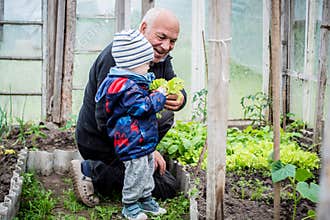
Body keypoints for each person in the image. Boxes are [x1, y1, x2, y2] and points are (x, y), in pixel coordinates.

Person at [71, 7, 186, 208]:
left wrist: (181, 98)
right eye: (162, 37)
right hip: (101, 140)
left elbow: (174, 82)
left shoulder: (159, 57)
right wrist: (144, 149)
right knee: (165, 186)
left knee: (166, 114)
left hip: (129, 134)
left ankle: (129, 166)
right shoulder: (117, 57)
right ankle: (91, 169)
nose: (166, 46)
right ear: (143, 28)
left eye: (173, 41)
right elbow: (105, 119)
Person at [95, 29, 168, 219]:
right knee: (135, 173)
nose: (149, 67)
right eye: (146, 63)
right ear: (132, 64)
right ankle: (130, 204)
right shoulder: (124, 86)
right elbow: (141, 108)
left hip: (142, 138)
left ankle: (145, 199)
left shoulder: (133, 80)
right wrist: (159, 95)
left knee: (146, 170)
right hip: (131, 140)